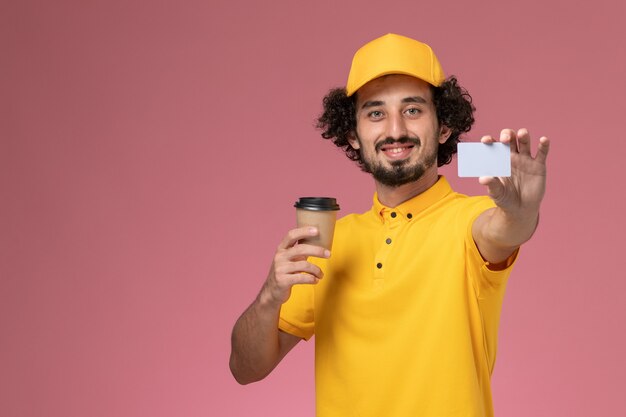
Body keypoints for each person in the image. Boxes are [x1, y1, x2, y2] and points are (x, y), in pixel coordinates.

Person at [229, 33, 550, 417]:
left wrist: (521, 211)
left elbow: (506, 229)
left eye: (413, 110)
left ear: (444, 127)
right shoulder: (331, 241)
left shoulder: (470, 220)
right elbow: (245, 370)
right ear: (353, 133)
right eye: (376, 113)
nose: (395, 129)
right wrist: (269, 296)